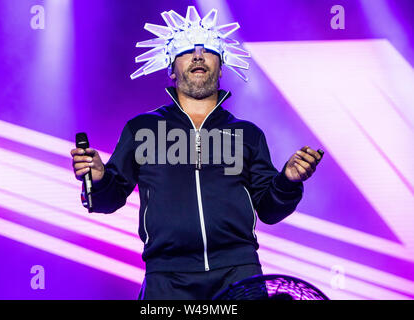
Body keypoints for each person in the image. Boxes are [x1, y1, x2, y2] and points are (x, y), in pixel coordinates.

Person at [70, 6, 323, 300]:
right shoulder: (142, 129)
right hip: (167, 280)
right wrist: (99, 180)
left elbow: (269, 210)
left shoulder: (248, 134)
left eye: (209, 50)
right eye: (187, 50)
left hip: (237, 273)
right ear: (171, 68)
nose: (199, 55)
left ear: (222, 64)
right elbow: (107, 200)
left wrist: (287, 181)